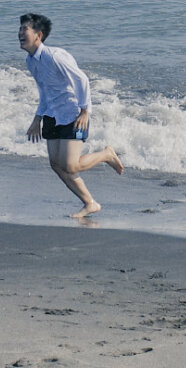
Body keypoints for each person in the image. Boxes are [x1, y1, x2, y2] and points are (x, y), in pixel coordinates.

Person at [19, 13, 123, 218]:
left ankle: (106, 154)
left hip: (72, 113)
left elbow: (82, 79)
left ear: (38, 35)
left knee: (71, 165)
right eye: (20, 30)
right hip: (51, 114)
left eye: (25, 30)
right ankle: (90, 203)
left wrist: (85, 110)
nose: (20, 33)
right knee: (56, 164)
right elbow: (45, 91)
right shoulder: (30, 60)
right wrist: (37, 118)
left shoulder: (55, 56)